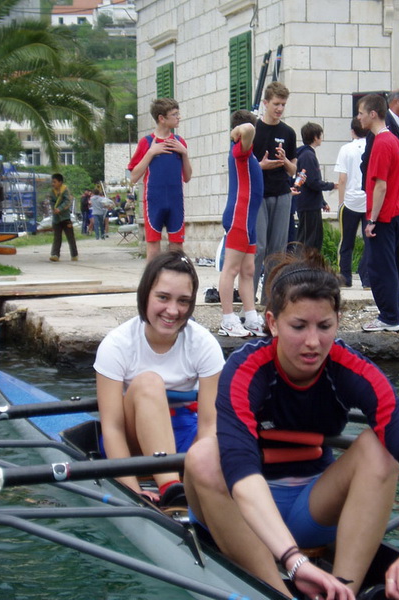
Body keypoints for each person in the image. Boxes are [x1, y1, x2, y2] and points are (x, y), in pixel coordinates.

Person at [184, 248, 399, 600]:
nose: (312, 342)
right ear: (272, 323)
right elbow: (240, 474)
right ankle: (279, 593)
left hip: (310, 510)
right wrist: (293, 562)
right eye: (298, 326)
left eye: (324, 327)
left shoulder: (352, 368)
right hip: (242, 511)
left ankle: (343, 590)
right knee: (203, 456)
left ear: (338, 321)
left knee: (379, 448)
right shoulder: (245, 370)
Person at [94, 250, 224, 504]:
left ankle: (178, 487)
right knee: (149, 383)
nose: (172, 311)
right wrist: (133, 493)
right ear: (145, 295)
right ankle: (172, 488)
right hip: (131, 445)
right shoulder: (116, 345)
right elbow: (112, 428)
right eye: (163, 297)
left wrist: (200, 475)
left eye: (183, 301)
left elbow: (210, 426)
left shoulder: (205, 344)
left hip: (185, 441)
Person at [357, 94, 399, 332]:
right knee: (389, 267)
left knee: (378, 269)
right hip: (396, 212)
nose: (359, 117)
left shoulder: (381, 142)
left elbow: (380, 185)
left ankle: (389, 317)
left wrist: (372, 219)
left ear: (373, 114)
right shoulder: (394, 140)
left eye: (361, 113)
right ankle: (396, 316)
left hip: (384, 216)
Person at [361, 89, 399, 297]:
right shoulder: (382, 132)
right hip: (387, 202)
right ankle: (387, 298)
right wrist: (373, 202)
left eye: (360, 113)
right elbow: (369, 166)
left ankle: (395, 288)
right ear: (394, 102)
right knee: (382, 256)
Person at [218, 109, 264, 338]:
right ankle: (227, 319)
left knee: (248, 270)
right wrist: (237, 130)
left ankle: (251, 317)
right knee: (231, 269)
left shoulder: (248, 154)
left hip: (249, 220)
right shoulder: (240, 149)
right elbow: (248, 129)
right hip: (239, 217)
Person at [128, 98, 192, 262]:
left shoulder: (179, 142)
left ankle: (176, 277)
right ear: (162, 118)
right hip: (154, 201)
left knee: (177, 248)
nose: (179, 117)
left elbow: (187, 177)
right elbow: (133, 177)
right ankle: (152, 278)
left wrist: (184, 153)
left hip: (175, 201)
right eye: (174, 114)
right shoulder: (147, 142)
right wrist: (151, 153)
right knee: (153, 248)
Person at [252, 81, 297, 304]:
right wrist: (260, 166)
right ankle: (248, 298)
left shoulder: (288, 132)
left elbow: (293, 170)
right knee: (258, 247)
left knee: (277, 250)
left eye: (283, 105)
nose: (279, 108)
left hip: (281, 193)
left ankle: (269, 299)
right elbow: (241, 164)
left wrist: (284, 160)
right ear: (265, 103)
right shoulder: (253, 130)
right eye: (276, 104)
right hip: (258, 195)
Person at [334, 117, 370, 288]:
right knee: (369, 242)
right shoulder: (372, 146)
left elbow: (342, 178)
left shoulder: (346, 149)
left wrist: (340, 202)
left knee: (346, 242)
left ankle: (345, 277)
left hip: (350, 200)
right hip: (368, 200)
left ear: (352, 131)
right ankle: (367, 278)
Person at [296, 122, 337, 252]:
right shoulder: (308, 156)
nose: (322, 138)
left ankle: (309, 262)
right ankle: (302, 263)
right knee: (308, 241)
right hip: (308, 205)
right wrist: (332, 185)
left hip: (311, 203)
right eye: (320, 135)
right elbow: (313, 182)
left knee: (314, 239)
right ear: (315, 137)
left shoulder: (306, 154)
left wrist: (322, 202)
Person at [49, 173, 78, 262]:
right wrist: (54, 208)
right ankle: (55, 255)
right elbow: (51, 201)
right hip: (56, 219)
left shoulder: (65, 190)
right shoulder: (52, 192)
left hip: (65, 218)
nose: (53, 184)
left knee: (70, 237)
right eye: (52, 182)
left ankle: (74, 255)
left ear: (60, 182)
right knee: (57, 237)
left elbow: (67, 201)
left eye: (55, 182)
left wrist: (60, 209)